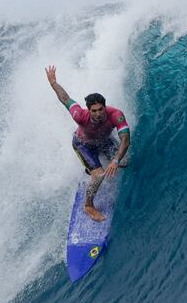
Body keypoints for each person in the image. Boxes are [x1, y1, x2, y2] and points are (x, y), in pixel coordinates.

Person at [45, 65, 130, 222]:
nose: (98, 114)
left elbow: (125, 140)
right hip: (83, 145)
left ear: (105, 107)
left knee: (124, 162)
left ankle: (94, 167)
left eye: (100, 109)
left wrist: (116, 160)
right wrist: (53, 83)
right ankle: (89, 205)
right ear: (88, 110)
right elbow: (65, 98)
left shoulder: (116, 115)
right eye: (94, 111)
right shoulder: (79, 115)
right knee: (99, 175)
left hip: (104, 142)